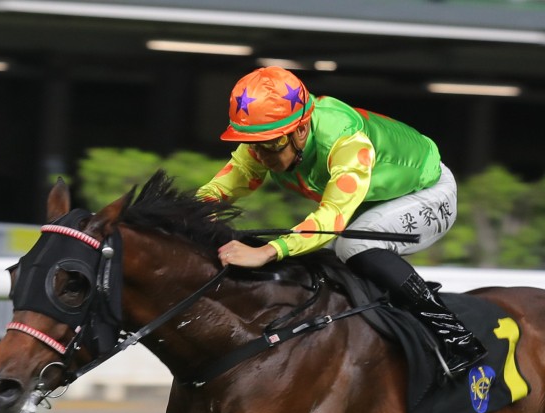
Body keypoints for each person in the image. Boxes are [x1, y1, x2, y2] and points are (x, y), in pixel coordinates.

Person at [196, 66, 485, 379]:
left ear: (301, 130)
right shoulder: (270, 140)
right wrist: (193, 212)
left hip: (428, 191)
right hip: (372, 201)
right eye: (252, 143)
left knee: (352, 245)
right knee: (323, 263)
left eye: (271, 145)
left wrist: (268, 251)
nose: (260, 155)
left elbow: (330, 219)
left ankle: (457, 337)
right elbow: (223, 187)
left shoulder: (346, 142)